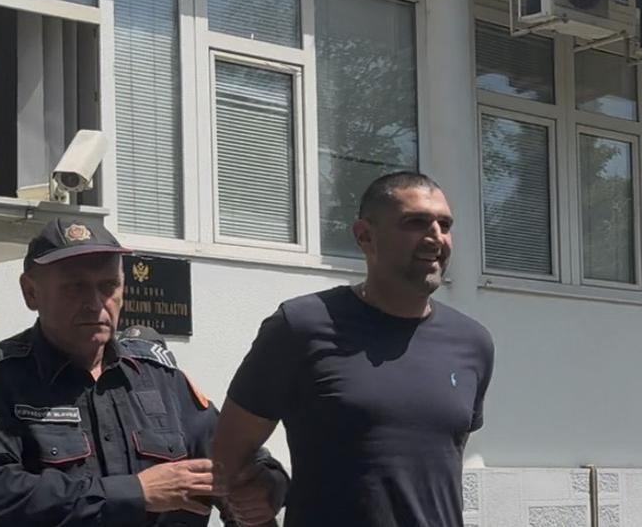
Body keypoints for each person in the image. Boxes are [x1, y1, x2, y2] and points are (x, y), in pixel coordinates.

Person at [0, 218, 287, 527]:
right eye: (75, 287)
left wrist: (263, 488)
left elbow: (238, 457)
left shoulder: (160, 377)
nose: (95, 303)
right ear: (31, 292)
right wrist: (136, 493)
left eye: (108, 286)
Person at [212, 172, 495, 527]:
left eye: (445, 224)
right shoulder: (300, 326)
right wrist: (259, 507)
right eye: (415, 222)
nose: (436, 237)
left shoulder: (472, 342)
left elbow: (438, 466)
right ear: (365, 236)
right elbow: (227, 456)